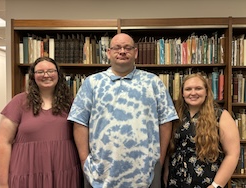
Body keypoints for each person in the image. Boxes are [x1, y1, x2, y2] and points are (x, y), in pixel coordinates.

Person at [67, 33, 178, 188]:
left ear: (136, 53)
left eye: (127, 48)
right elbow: (79, 122)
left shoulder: (153, 82)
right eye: (117, 48)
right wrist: (85, 160)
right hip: (99, 173)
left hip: (146, 173)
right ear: (108, 53)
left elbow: (166, 121)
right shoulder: (91, 83)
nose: (122, 51)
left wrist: (159, 159)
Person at [0, 57, 83, 188]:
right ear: (33, 76)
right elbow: (3, 143)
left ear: (58, 74)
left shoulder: (71, 103)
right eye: (40, 72)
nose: (46, 75)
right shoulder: (18, 102)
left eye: (50, 71)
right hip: (26, 173)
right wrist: (2, 184)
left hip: (63, 171)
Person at [164, 73, 240, 188]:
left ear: (206, 92)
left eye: (198, 88)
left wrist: (216, 185)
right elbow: (169, 150)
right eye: (188, 89)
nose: (193, 93)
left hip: (207, 183)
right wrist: (165, 173)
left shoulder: (221, 116)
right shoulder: (175, 116)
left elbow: (232, 154)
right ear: (182, 93)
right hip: (175, 181)